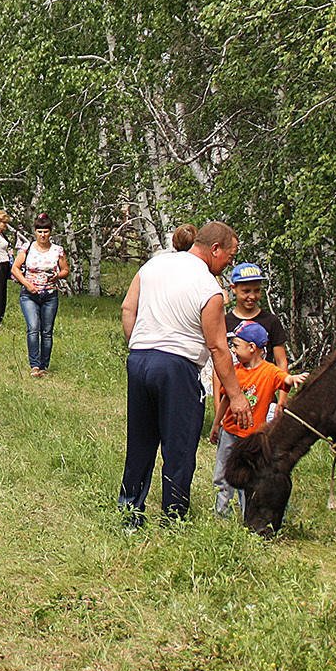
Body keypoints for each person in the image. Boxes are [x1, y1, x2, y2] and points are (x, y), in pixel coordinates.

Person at [118, 221, 251, 523]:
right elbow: (218, 348)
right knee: (179, 447)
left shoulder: (154, 264)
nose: (230, 262)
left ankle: (129, 513)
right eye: (229, 254)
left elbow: (128, 308)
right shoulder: (209, 288)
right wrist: (236, 396)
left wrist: (139, 344)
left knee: (140, 442)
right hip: (177, 367)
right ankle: (173, 516)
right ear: (214, 249)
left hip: (139, 360)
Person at [213, 321, 291, 519]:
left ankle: (247, 513)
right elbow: (225, 398)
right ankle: (221, 515)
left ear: (252, 347)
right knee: (222, 475)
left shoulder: (269, 371)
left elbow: (285, 379)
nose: (233, 350)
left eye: (236, 345)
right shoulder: (234, 371)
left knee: (247, 478)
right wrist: (216, 423)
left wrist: (295, 379)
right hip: (229, 432)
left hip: (252, 438)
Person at [10, 214, 70, 376]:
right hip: (29, 295)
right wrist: (27, 284)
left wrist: (57, 276)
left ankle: (44, 365)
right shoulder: (27, 248)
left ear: (50, 232)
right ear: (35, 232)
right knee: (33, 327)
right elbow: (15, 268)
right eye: (39, 231)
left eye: (46, 231)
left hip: (50, 294)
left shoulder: (57, 250)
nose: (43, 235)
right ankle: (34, 365)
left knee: (47, 331)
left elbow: (66, 270)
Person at [224, 261, 290, 381]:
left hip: (265, 391)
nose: (252, 296)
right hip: (233, 393)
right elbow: (219, 363)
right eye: (246, 291)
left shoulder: (271, 321)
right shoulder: (224, 322)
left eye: (257, 290)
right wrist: (218, 399)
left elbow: (281, 362)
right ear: (233, 288)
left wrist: (282, 399)